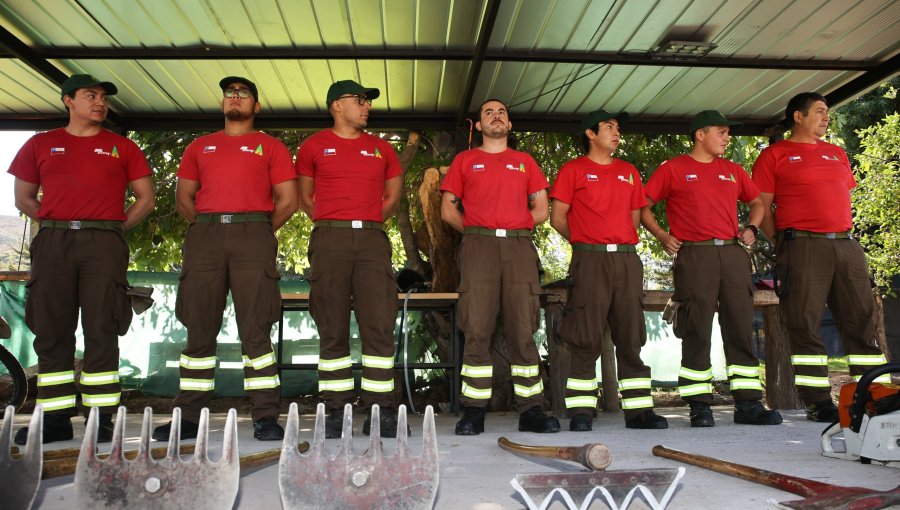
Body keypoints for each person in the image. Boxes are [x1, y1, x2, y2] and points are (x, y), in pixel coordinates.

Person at [9, 74, 155, 444]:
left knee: (102, 329)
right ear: (68, 101)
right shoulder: (40, 144)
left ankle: (101, 419)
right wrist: (58, 221)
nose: (100, 103)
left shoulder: (123, 147)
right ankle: (55, 420)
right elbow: (23, 198)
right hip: (54, 241)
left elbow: (145, 199)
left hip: (104, 241)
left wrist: (115, 228)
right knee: (52, 332)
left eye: (104, 97)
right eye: (91, 96)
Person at [152, 76, 297, 442]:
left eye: (244, 93)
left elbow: (288, 201)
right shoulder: (200, 147)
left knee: (256, 331)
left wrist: (259, 229)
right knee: (198, 329)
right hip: (206, 235)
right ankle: (187, 417)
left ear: (255, 107)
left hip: (254, 234)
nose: (236, 98)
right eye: (230, 93)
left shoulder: (271, 147)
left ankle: (265, 415)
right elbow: (185, 198)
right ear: (222, 104)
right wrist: (211, 226)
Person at [751, 93, 889, 422]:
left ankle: (878, 396)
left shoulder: (837, 154)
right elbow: (762, 204)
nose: (826, 117)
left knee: (862, 320)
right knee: (804, 323)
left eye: (827, 112)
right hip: (802, 245)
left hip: (846, 244)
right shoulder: (775, 154)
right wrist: (781, 241)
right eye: (819, 111)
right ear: (797, 116)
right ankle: (818, 401)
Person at [641, 110, 782, 428]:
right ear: (700, 134)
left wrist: (753, 227)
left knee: (741, 327)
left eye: (727, 132)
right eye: (721, 131)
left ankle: (748, 404)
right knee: (696, 329)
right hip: (695, 255)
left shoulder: (733, 170)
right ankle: (699, 405)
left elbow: (758, 202)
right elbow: (643, 205)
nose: (727, 137)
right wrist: (663, 235)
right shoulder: (673, 169)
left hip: (733, 254)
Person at [440, 99, 560, 435]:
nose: (496, 116)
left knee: (524, 328)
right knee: (476, 327)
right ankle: (473, 412)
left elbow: (541, 208)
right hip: (477, 248)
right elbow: (448, 211)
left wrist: (513, 229)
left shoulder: (525, 162)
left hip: (519, 247)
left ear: (509, 125)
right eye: (488, 112)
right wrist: (480, 232)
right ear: (478, 125)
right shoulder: (465, 160)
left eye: (502, 112)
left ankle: (532, 411)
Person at [295, 80, 404, 438]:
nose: (366, 106)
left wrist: (366, 221)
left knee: (378, 323)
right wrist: (334, 222)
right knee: (332, 325)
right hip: (329, 238)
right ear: (336, 106)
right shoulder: (313, 147)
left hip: (372, 239)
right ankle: (335, 409)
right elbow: (305, 197)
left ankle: (381, 409)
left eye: (367, 101)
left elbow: (391, 197)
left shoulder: (382, 149)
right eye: (359, 100)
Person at [550, 109, 668, 431]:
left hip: (627, 260)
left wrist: (619, 243)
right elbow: (558, 217)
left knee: (630, 335)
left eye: (617, 127)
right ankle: (581, 412)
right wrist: (588, 244)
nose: (616, 132)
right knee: (585, 334)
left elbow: (634, 218)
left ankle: (640, 412)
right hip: (589, 259)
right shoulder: (573, 170)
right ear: (590, 134)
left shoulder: (629, 171)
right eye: (608, 127)